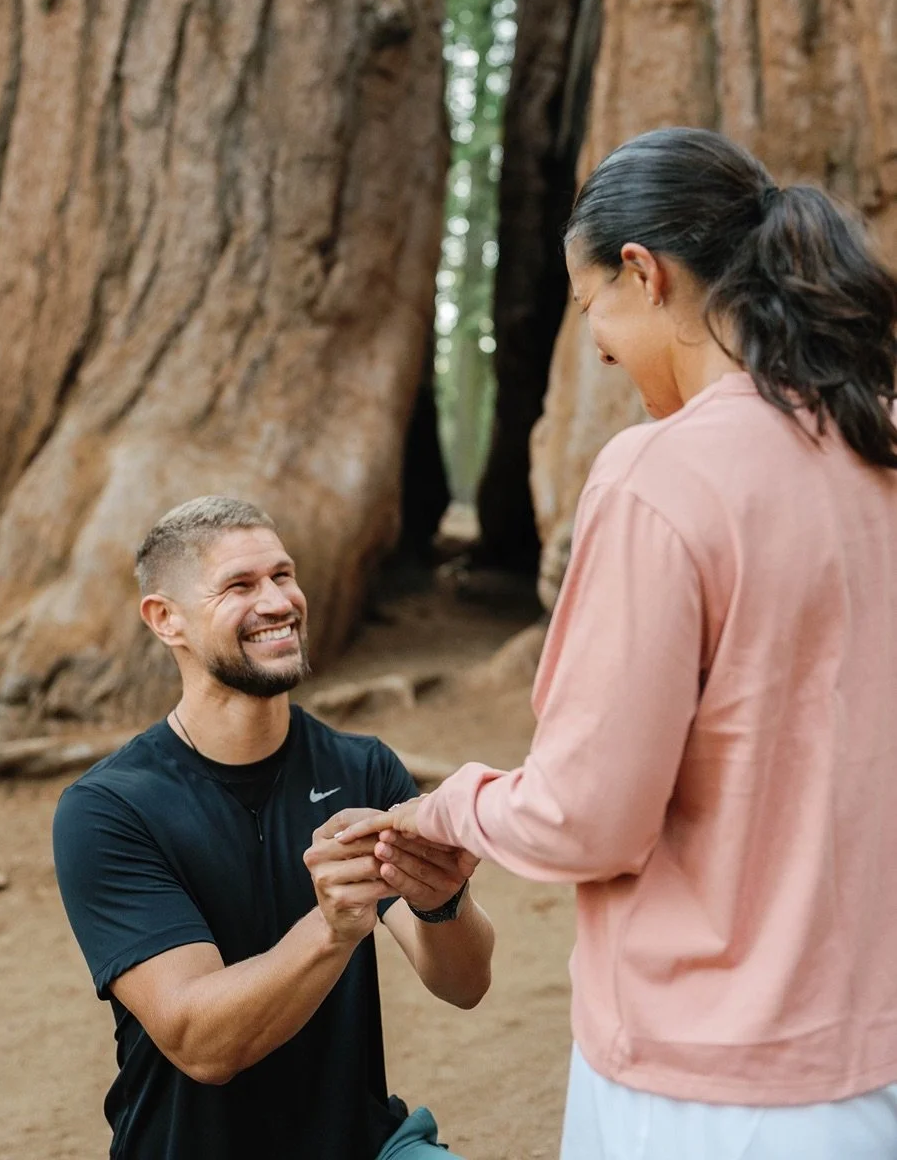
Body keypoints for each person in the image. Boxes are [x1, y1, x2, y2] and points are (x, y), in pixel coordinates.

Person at [341, 128, 897, 1159]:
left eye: (585, 301)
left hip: (712, 1086)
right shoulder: (878, 448)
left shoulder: (661, 475)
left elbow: (586, 813)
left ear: (642, 273)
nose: (591, 339)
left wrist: (447, 805)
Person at [53, 494, 494, 1160]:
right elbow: (200, 1042)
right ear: (165, 619)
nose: (278, 602)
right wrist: (331, 927)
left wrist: (442, 901)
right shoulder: (110, 809)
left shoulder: (363, 768)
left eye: (282, 575)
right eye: (239, 585)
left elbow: (463, 985)